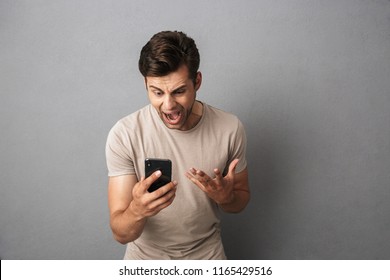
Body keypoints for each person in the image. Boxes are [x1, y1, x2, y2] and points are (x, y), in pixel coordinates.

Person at [105, 31, 250, 259]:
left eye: (179, 91)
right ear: (146, 84)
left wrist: (226, 197)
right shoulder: (125, 134)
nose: (168, 105)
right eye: (157, 92)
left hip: (207, 257)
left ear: (197, 82)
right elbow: (121, 234)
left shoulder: (230, 128)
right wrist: (137, 210)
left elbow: (240, 201)